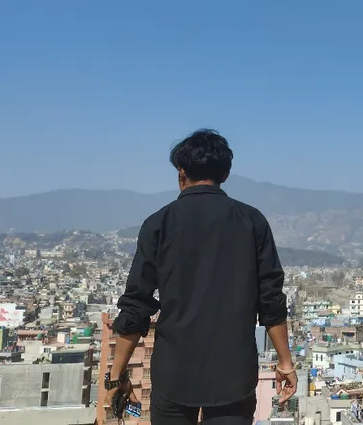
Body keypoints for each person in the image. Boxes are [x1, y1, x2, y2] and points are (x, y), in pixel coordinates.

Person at [105, 129, 297, 424]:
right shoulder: (252, 221)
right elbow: (271, 301)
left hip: (174, 374)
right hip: (233, 375)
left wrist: (116, 376)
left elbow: (136, 304)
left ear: (181, 173)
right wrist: (285, 362)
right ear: (226, 174)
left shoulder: (159, 223)